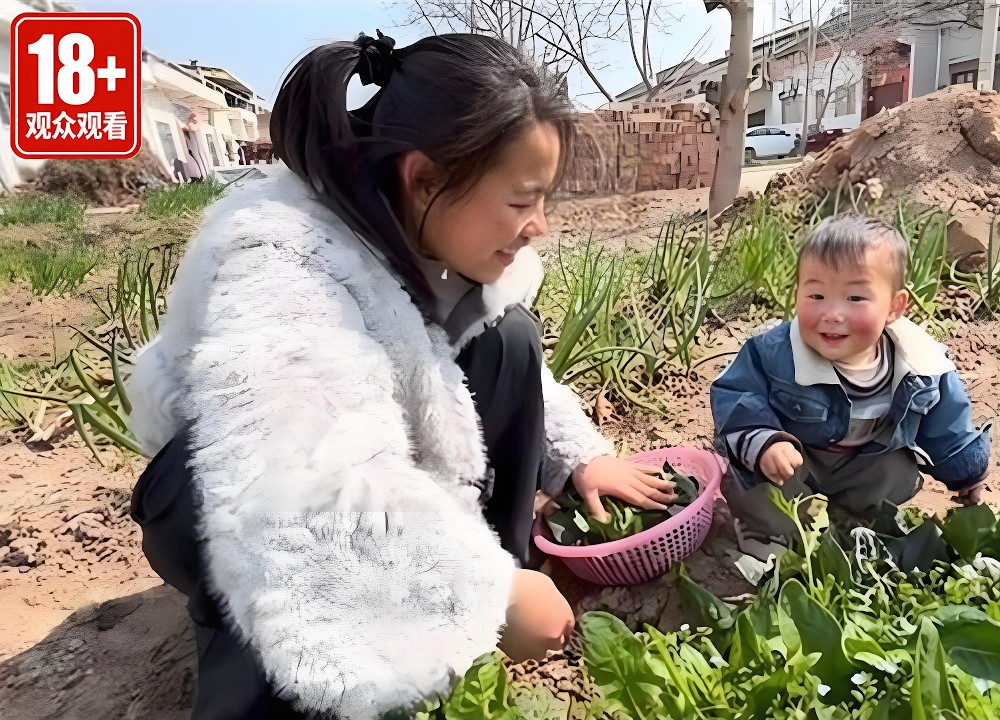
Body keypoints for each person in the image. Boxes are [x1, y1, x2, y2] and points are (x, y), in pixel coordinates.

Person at [126, 31, 677, 720]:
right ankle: (252, 668)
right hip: (232, 494)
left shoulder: (419, 225)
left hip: (342, 448)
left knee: (508, 341)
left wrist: (582, 461)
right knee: (286, 636)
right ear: (424, 177)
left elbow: (489, 354)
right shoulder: (284, 258)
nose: (538, 226)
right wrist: (485, 596)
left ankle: (456, 629)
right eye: (520, 200)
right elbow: (300, 481)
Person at [711, 214, 991, 546]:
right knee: (758, 484)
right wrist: (765, 442)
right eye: (816, 296)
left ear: (894, 307)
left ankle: (856, 518)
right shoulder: (773, 352)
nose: (832, 313)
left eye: (855, 298)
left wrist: (968, 474)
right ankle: (773, 532)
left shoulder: (922, 365)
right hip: (797, 457)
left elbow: (947, 428)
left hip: (863, 461)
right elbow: (738, 395)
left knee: (896, 472)